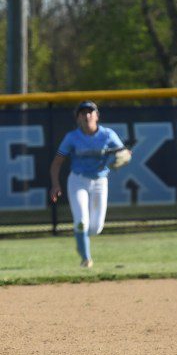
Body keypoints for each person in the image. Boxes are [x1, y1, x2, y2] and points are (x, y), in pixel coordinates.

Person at [49, 101, 128, 268]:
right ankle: (86, 259)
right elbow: (57, 162)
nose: (87, 116)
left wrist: (123, 156)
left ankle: (80, 241)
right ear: (77, 118)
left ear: (97, 116)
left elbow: (124, 152)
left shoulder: (107, 135)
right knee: (81, 221)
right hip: (78, 180)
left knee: (96, 228)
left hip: (100, 181)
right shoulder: (72, 137)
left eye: (90, 112)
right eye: (82, 113)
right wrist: (55, 184)